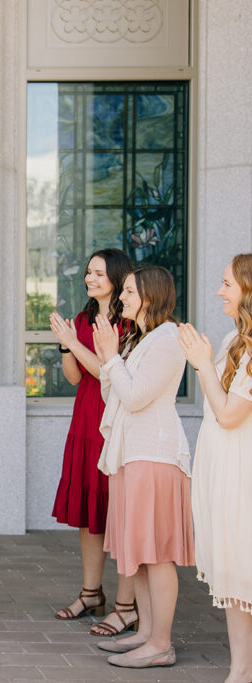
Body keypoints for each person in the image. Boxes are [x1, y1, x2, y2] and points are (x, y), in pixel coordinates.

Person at [92, 265, 193, 669]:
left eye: (130, 292)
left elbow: (134, 398)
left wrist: (112, 357)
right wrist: (108, 357)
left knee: (157, 554)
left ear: (151, 295)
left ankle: (161, 644)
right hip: (132, 454)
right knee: (144, 553)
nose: (123, 299)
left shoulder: (167, 340)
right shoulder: (141, 339)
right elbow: (111, 393)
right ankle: (147, 634)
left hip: (154, 455)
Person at [48, 248, 138, 636]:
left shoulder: (129, 321)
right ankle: (90, 593)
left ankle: (127, 603)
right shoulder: (84, 318)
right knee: (89, 513)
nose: (91, 278)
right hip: (84, 420)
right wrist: (67, 344)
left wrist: (74, 341)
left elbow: (106, 370)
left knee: (120, 514)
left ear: (117, 278)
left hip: (114, 422)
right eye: (88, 272)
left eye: (99, 273)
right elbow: (74, 376)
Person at [178, 253, 252, 683]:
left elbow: (228, 414)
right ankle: (240, 670)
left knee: (246, 568)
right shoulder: (231, 341)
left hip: (243, 475)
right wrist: (206, 360)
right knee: (232, 576)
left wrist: (203, 363)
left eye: (227, 283)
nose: (220, 291)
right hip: (223, 471)